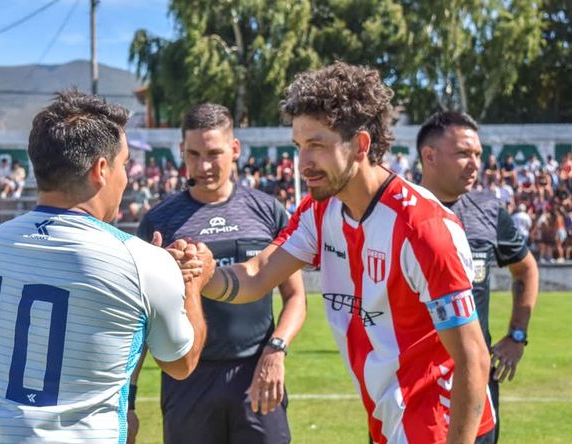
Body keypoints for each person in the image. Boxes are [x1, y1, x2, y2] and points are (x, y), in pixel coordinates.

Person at [168, 62, 495, 444]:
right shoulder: (322, 211)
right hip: (387, 418)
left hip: (440, 425)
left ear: (360, 145)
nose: (303, 164)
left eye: (317, 146)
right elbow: (257, 275)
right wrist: (204, 273)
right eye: (300, 147)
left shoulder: (424, 230)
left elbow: (474, 358)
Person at [0, 90, 212, 443]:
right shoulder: (141, 262)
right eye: (124, 164)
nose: (127, 177)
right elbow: (181, 363)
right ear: (101, 170)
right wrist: (191, 284)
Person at [134, 103, 306, 444]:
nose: (205, 165)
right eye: (194, 154)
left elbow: (296, 296)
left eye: (214, 153)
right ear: (182, 152)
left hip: (256, 372)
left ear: (235, 149)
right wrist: (129, 395)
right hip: (187, 380)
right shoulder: (159, 222)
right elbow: (142, 315)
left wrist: (276, 350)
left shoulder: (268, 211)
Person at [417, 111, 540, 442]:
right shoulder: (393, 210)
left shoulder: (487, 209)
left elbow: (526, 269)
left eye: (478, 155)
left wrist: (517, 336)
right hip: (410, 383)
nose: (475, 164)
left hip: (474, 379)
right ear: (429, 156)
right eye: (462, 154)